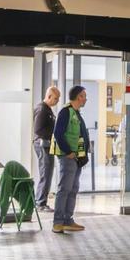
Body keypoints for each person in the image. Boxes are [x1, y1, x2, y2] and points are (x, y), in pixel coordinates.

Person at [51, 85, 90, 233]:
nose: (85, 98)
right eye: (84, 96)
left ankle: (68, 220)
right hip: (69, 157)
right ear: (78, 97)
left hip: (77, 158)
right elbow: (58, 133)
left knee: (73, 189)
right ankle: (58, 222)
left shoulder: (76, 113)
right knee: (64, 189)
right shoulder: (66, 112)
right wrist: (68, 151)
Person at [32, 86, 60, 211]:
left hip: (47, 144)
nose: (57, 101)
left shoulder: (47, 109)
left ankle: (41, 201)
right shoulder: (42, 109)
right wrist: (51, 136)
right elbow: (38, 129)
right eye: (55, 98)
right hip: (42, 144)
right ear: (48, 96)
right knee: (46, 172)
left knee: (47, 172)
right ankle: (40, 202)